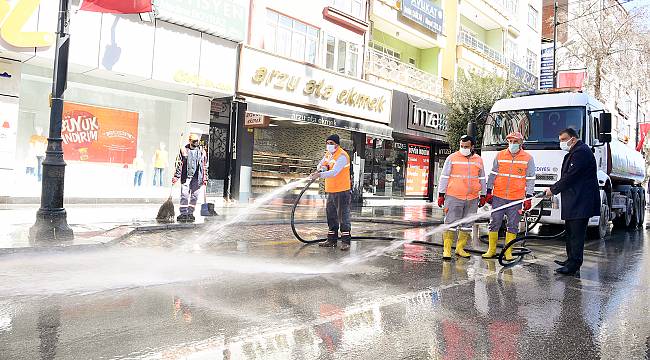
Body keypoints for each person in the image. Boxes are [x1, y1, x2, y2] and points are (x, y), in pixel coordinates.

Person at [545, 128, 600, 275]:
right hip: (574, 201)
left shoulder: (581, 152)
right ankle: (570, 260)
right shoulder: (574, 152)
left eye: (563, 139)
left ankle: (574, 264)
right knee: (570, 233)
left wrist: (553, 189)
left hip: (580, 201)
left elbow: (571, 176)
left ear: (573, 139)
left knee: (576, 234)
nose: (561, 143)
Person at [483, 132, 535, 260]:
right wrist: (489, 191)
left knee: (513, 225)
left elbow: (530, 179)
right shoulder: (500, 155)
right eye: (510, 141)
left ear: (521, 143)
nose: (512, 144)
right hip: (498, 196)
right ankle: (491, 250)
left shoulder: (528, 158)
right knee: (494, 223)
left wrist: (528, 197)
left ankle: (508, 252)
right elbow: (492, 175)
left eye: (515, 142)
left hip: (516, 198)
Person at [437, 135, 487, 260]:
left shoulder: (478, 160)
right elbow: (444, 177)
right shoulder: (452, 158)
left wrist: (483, 195)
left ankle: (460, 248)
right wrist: (441, 194)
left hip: (472, 198)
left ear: (472, 147)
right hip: (454, 196)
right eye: (462, 146)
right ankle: (447, 250)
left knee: (467, 225)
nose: (463, 148)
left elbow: (482, 178)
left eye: (466, 147)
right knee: (450, 223)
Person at [310, 134, 352, 251]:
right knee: (331, 216)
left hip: (342, 190)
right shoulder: (328, 154)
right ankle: (331, 239)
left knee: (343, 216)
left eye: (331, 143)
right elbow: (321, 164)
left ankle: (345, 242)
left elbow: (335, 172)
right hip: (331, 190)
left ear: (337, 145)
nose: (329, 145)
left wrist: (319, 174)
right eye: (327, 143)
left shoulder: (342, 156)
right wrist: (321, 169)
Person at [172, 133, 207, 223]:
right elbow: (179, 164)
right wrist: (176, 176)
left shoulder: (201, 151)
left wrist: (205, 178)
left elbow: (204, 166)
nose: (196, 143)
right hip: (186, 176)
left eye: (197, 141)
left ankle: (190, 213)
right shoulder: (184, 150)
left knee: (194, 196)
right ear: (190, 141)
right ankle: (183, 213)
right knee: (184, 195)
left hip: (197, 177)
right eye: (194, 141)